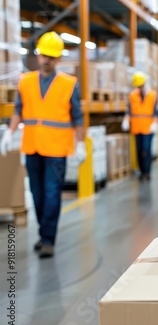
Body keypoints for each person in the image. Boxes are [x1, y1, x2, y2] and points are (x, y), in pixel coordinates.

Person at [0, 32, 86, 258]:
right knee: (36, 194)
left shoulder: (69, 84)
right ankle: (43, 232)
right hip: (32, 146)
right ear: (38, 55)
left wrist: (80, 144)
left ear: (57, 59)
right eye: (43, 55)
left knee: (51, 194)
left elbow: (77, 117)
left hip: (57, 149)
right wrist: (9, 133)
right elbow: (18, 110)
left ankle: (48, 239)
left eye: (51, 56)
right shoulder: (25, 81)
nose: (46, 59)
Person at [121, 72, 158, 182]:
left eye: (141, 85)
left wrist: (155, 123)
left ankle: (147, 172)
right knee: (139, 150)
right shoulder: (132, 95)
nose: (139, 88)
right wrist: (126, 120)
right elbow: (129, 111)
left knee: (146, 150)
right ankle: (142, 172)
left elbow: (155, 112)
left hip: (148, 127)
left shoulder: (152, 95)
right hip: (136, 127)